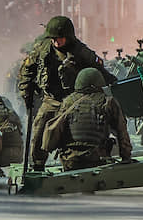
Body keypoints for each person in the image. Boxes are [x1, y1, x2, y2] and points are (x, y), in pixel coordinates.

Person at [17, 16, 115, 171]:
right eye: (53, 39)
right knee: (39, 130)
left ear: (68, 37)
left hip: (75, 100)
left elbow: (99, 70)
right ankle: (37, 165)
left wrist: (110, 83)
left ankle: (83, 160)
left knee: (81, 132)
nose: (56, 42)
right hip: (51, 99)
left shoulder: (81, 51)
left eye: (60, 39)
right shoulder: (41, 49)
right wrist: (26, 92)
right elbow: (27, 71)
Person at [53, 68, 133, 171]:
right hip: (96, 159)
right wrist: (126, 157)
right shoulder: (107, 102)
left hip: (70, 161)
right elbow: (122, 133)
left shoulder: (67, 102)